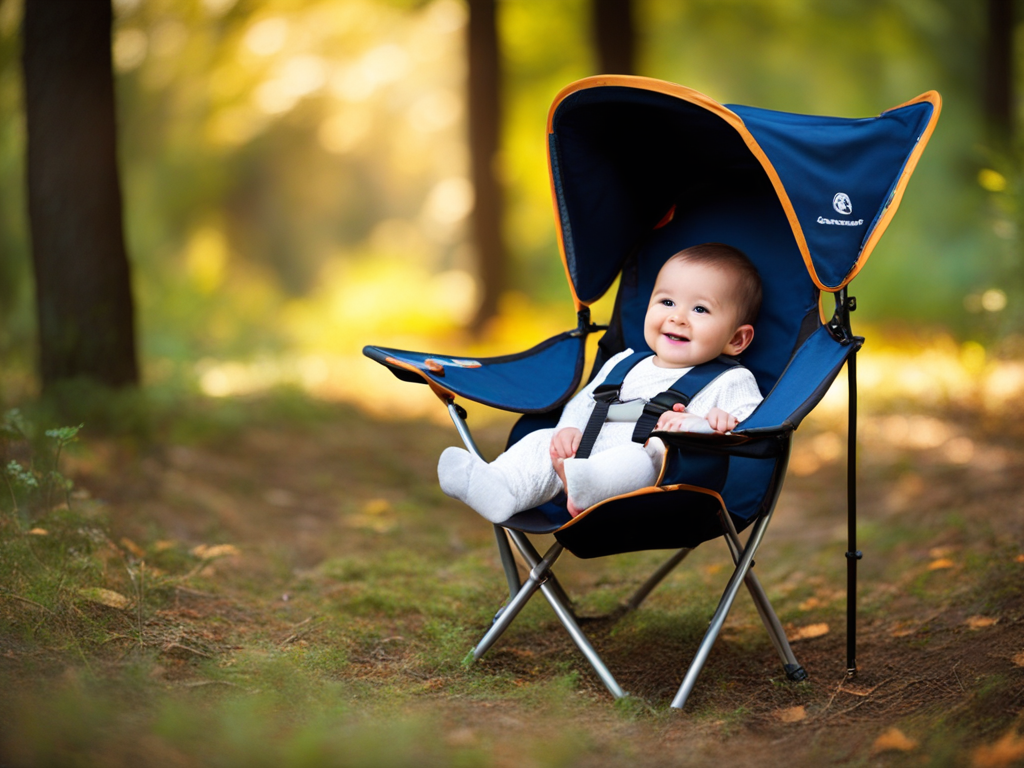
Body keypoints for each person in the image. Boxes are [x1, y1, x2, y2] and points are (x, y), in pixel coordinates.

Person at [438, 242, 764, 523]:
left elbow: (753, 428)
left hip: (657, 482)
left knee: (641, 457)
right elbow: (592, 406)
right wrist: (568, 431)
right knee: (542, 439)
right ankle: (501, 487)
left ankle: (588, 487)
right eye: (666, 302)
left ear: (736, 339)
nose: (677, 317)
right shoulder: (624, 363)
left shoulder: (730, 380)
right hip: (583, 455)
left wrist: (714, 423)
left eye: (699, 308)